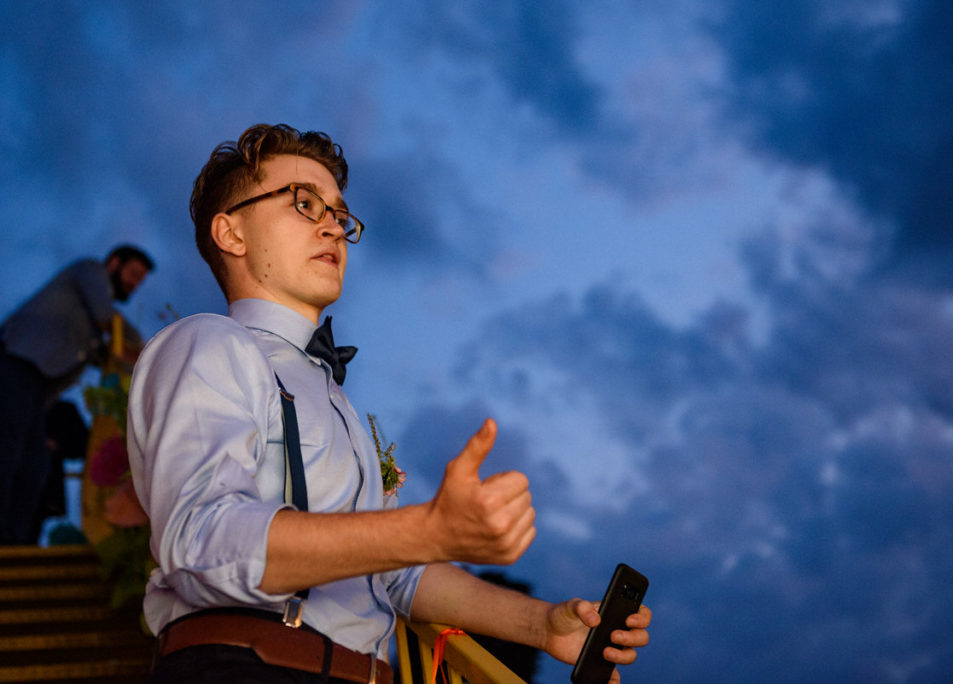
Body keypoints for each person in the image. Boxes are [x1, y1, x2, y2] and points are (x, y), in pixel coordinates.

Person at [128, 124, 651, 684]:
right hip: (248, 667)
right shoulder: (207, 341)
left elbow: (398, 576)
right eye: (304, 203)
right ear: (231, 234)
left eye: (339, 213)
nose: (333, 224)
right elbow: (201, 537)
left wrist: (543, 625)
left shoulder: (342, 405)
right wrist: (423, 528)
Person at [0, 245, 153, 545]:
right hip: (15, 364)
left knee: (35, 465)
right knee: (7, 451)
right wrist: (148, 349)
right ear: (113, 262)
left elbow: (105, 354)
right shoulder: (90, 272)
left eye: (140, 280)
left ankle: (15, 544)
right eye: (133, 274)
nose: (134, 284)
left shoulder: (88, 331)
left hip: (36, 395)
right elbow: (105, 315)